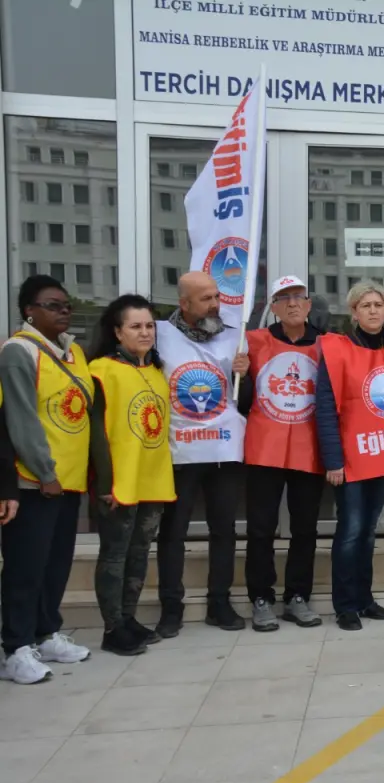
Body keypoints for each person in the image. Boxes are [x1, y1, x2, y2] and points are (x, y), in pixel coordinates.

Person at [0, 275, 101, 683]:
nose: (63, 311)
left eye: (66, 305)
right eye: (52, 305)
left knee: (55, 564)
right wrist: (44, 472)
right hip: (36, 481)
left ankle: (45, 633)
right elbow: (21, 419)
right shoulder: (18, 352)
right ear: (29, 310)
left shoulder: (73, 351)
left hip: (69, 480)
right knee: (25, 567)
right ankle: (16, 647)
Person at [316, 281, 384, 631]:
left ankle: (364, 599)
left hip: (383, 454)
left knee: (369, 532)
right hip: (350, 461)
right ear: (353, 313)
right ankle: (345, 605)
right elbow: (325, 408)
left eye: (378, 305)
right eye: (365, 305)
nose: (373, 310)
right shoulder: (337, 350)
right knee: (351, 531)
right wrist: (333, 461)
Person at [154, 271, 247, 636]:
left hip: (223, 449)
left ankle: (219, 603)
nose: (215, 304)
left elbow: (245, 399)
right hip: (181, 451)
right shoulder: (160, 335)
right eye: (206, 299)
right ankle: (171, 607)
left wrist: (246, 375)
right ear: (184, 303)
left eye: (216, 297)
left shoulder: (233, 336)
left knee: (224, 530)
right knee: (173, 532)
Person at [234, 275, 326, 632]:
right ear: (273, 307)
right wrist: (240, 376)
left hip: (309, 447)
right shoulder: (253, 342)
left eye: (298, 297)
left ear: (309, 304)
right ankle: (261, 597)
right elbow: (241, 402)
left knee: (305, 529)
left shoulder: (327, 343)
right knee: (261, 528)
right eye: (283, 298)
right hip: (264, 448)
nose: (292, 304)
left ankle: (298, 596)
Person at [88, 296, 176, 656]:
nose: (145, 332)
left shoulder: (156, 371)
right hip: (118, 483)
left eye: (149, 325)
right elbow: (96, 433)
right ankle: (113, 628)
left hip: (151, 480)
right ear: (117, 332)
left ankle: (128, 618)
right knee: (115, 555)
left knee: (139, 553)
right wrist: (104, 483)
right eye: (135, 326)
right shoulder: (101, 371)